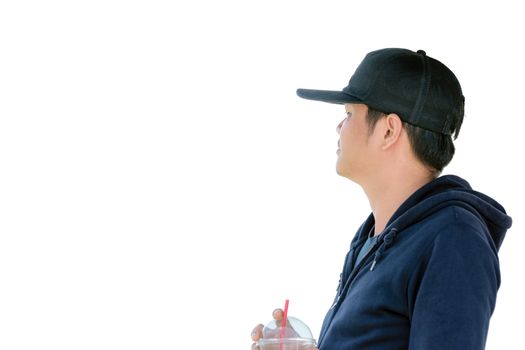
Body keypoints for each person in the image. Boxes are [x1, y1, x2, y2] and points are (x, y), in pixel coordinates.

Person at [251, 48, 512, 350]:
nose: (339, 127)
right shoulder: (374, 237)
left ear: (389, 130)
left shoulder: (454, 238)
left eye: (348, 114)